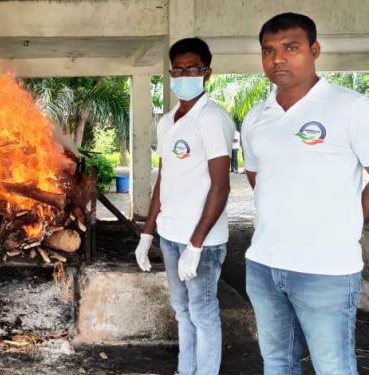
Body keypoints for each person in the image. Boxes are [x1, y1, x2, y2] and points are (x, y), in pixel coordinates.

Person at [242, 13, 368, 375]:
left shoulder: (351, 107)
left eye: (290, 48)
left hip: (325, 270)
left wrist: (352, 217)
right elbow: (257, 176)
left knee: (333, 367)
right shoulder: (256, 117)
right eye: (268, 51)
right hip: (264, 266)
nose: (277, 59)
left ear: (314, 50)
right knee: (277, 363)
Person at [134, 38, 234, 375]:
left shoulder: (212, 119)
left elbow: (221, 185)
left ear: (207, 73)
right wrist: (148, 233)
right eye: (177, 69)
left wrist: (197, 243)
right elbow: (165, 178)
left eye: (191, 68)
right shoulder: (167, 122)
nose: (183, 74)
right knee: (182, 310)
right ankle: (185, 370)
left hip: (200, 242)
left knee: (203, 313)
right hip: (171, 235)